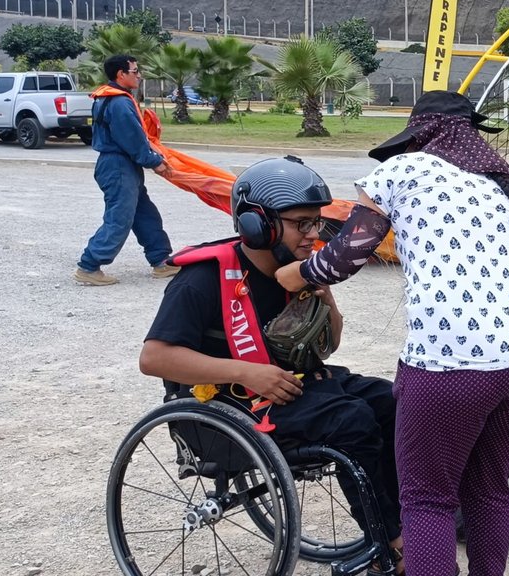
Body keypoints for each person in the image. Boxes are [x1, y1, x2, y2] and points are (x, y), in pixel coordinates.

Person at [276, 90, 509, 576]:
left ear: (419, 134)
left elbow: (352, 251)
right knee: (490, 487)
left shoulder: (399, 171)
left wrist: (296, 275)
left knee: (428, 498)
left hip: (449, 363)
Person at [139, 156, 404, 565]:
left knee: (393, 400)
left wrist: (323, 291)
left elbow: (328, 347)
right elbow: (154, 357)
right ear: (257, 224)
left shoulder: (294, 270)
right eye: (302, 223)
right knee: (350, 419)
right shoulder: (203, 278)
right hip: (227, 405)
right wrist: (246, 371)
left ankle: (407, 523)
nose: (314, 234)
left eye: (316, 222)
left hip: (291, 386)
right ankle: (390, 544)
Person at [75, 53, 176, 285]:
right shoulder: (119, 103)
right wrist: (155, 162)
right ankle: (89, 265)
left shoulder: (109, 98)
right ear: (121, 74)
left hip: (121, 166)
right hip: (118, 166)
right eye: (135, 72)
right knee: (119, 218)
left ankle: (161, 260)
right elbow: (132, 140)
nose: (139, 76)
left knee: (145, 214)